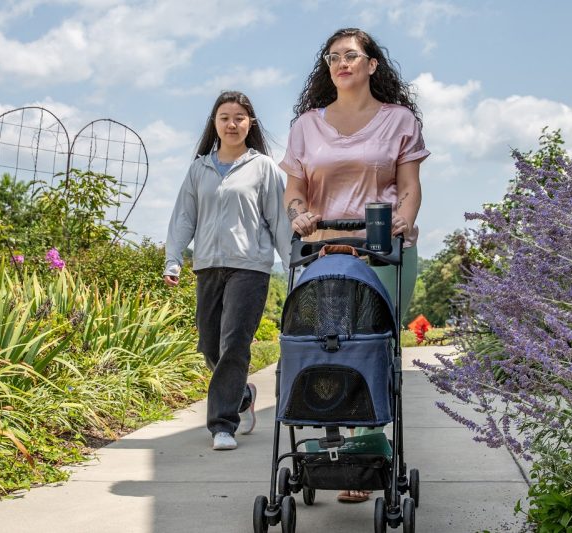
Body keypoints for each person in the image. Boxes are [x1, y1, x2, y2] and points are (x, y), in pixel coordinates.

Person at [280, 28, 429, 502]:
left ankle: (365, 454)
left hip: (383, 253)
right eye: (333, 57)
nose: (341, 63)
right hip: (325, 254)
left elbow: (409, 186)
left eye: (351, 55)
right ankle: (334, 451)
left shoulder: (399, 121)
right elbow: (295, 190)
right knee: (327, 349)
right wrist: (298, 214)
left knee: (371, 347)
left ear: (371, 65)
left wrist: (404, 219)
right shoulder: (306, 125)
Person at [164, 90, 291, 451]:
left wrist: (292, 264)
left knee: (235, 341)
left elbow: (279, 220)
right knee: (209, 343)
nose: (232, 123)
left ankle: (223, 425)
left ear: (250, 123)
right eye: (225, 117)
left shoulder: (263, 167)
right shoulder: (199, 168)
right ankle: (240, 395)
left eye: (239, 117)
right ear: (215, 124)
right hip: (207, 266)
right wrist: (173, 260)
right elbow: (183, 219)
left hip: (249, 267)